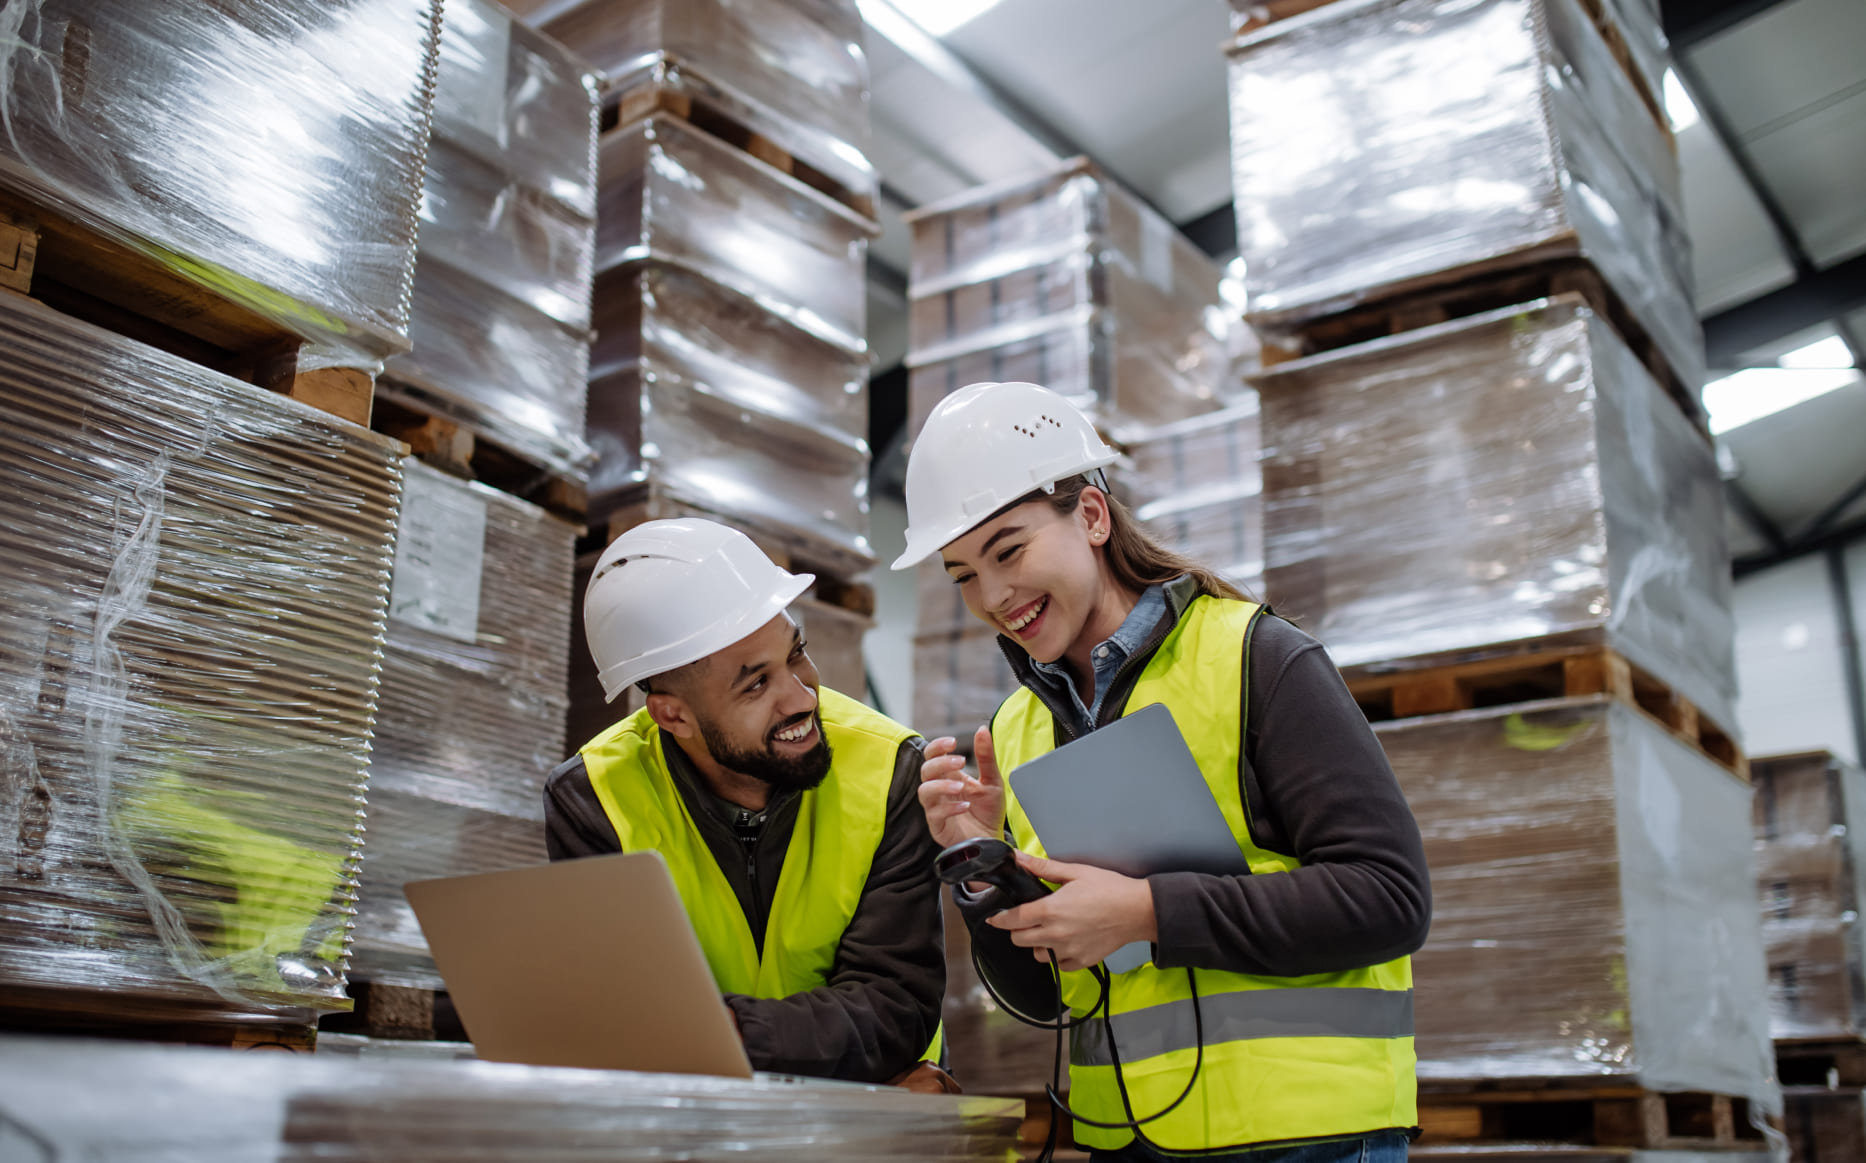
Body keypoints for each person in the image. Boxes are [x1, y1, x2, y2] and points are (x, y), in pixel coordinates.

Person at [895, 382, 1431, 1160]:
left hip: (1307, 1135)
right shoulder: (1016, 731)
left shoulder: (1254, 656)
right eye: (963, 574)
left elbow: (1390, 897)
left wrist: (1149, 911)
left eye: (1008, 550)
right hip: (1127, 1142)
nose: (994, 595)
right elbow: (1047, 996)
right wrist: (987, 878)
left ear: (1090, 516)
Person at [544, 518, 952, 1089]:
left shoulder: (892, 770)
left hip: (854, 1132)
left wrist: (720, 1033)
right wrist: (731, 1035)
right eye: (755, 685)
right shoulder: (595, 799)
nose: (802, 695)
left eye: (797, 654)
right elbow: (625, 1022)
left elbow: (892, 1011)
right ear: (673, 715)